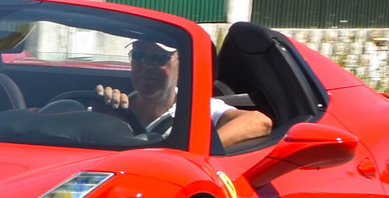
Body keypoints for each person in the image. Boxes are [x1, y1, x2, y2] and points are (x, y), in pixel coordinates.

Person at [95, 37, 275, 146]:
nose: (147, 66)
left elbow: (260, 121)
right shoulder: (114, 108)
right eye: (139, 56)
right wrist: (102, 116)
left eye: (159, 59)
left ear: (182, 65)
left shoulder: (198, 108)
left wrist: (197, 151)